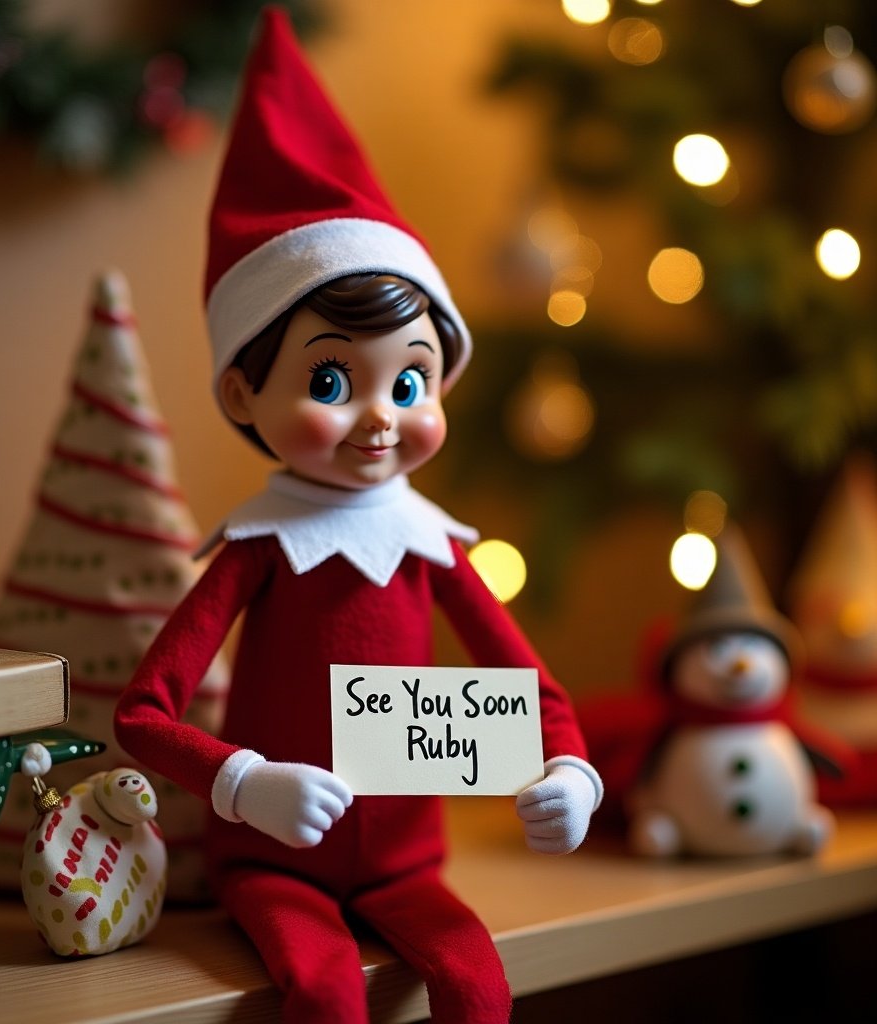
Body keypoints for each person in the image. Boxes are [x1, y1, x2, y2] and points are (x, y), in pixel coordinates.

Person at [115, 10, 601, 1023]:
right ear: (243, 396)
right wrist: (245, 785)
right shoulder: (257, 549)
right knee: (325, 995)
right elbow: (144, 714)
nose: (382, 414)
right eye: (333, 376)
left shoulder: (433, 546)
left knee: (475, 983)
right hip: (271, 860)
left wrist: (572, 776)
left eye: (412, 378)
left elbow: (537, 691)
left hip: (407, 861)